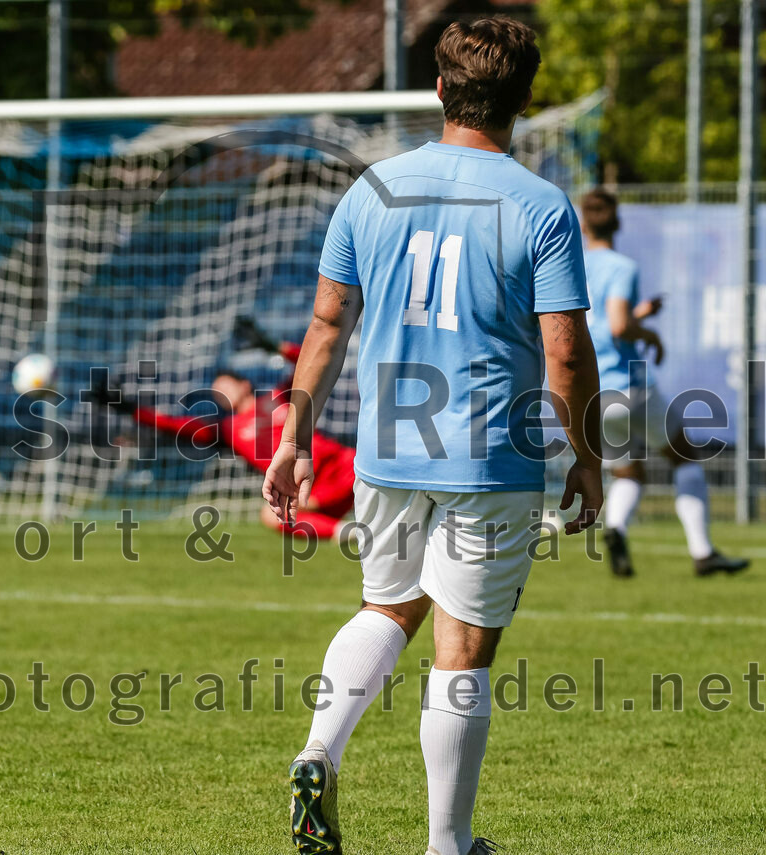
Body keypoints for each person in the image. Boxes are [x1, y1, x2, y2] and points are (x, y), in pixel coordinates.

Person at [262, 17, 603, 855]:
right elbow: (563, 349)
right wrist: (587, 458)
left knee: (387, 606)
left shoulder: (371, 189)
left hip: (386, 445)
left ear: (442, 90)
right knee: (463, 648)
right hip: (488, 454)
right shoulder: (539, 204)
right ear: (524, 100)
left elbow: (327, 323)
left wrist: (293, 437)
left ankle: (318, 750)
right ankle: (448, 845)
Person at [580, 188, 749, 578]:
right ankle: (704, 552)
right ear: (617, 222)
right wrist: (651, 334)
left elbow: (602, 323)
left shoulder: (575, 267)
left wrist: (639, 314)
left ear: (584, 225)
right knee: (684, 456)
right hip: (630, 385)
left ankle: (618, 529)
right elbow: (620, 326)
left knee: (627, 472)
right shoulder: (621, 266)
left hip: (593, 393)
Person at [95, 316, 356, 541]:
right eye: (216, 388)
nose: (219, 391)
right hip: (311, 490)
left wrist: (273, 346)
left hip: (343, 467)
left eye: (225, 384)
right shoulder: (228, 429)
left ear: (243, 384)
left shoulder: (279, 396)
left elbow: (309, 365)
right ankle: (349, 533)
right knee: (273, 516)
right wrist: (130, 409)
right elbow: (176, 427)